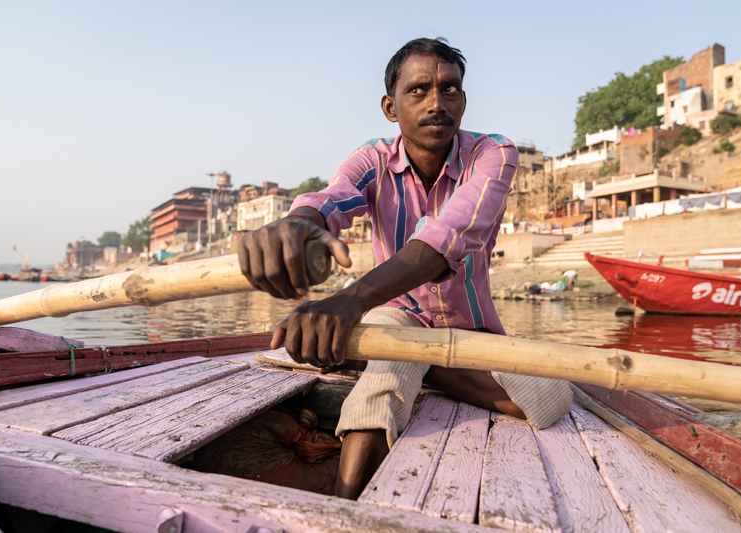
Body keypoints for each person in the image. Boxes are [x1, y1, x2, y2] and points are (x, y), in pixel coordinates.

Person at [237, 37, 572, 500]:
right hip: (394, 317)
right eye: (418, 91)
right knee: (387, 374)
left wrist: (350, 300)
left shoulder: (493, 154)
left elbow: (444, 240)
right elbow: (330, 200)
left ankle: (411, 359)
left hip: (472, 331)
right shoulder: (372, 159)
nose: (437, 103)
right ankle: (343, 512)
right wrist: (297, 223)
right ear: (390, 107)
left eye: (449, 89)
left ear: (463, 99)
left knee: (549, 397)